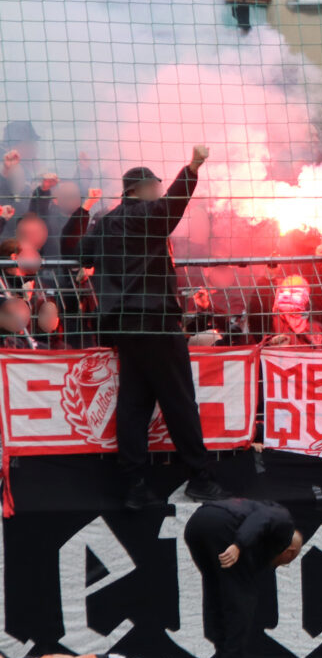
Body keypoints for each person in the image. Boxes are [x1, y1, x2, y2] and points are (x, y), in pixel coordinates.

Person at [75, 146, 227, 509]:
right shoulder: (145, 215)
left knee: (134, 406)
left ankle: (135, 486)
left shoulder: (106, 222)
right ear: (139, 190)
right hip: (155, 322)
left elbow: (82, 253)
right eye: (154, 187)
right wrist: (192, 168)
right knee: (180, 401)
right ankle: (200, 478)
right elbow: (171, 207)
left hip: (124, 327)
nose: (158, 192)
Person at [182, 498, 302, 658]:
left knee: (216, 590)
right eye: (284, 562)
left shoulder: (258, 515)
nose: (277, 565)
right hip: (222, 526)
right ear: (290, 552)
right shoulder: (283, 521)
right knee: (241, 596)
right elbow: (261, 519)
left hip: (196, 523)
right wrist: (238, 545)